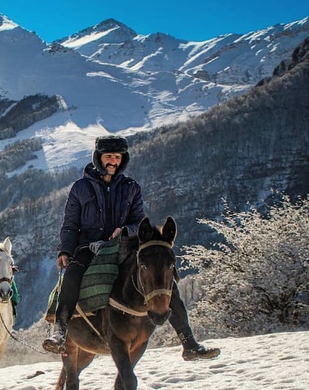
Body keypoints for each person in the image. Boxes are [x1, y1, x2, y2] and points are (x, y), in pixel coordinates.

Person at [42, 134, 220, 360]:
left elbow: (138, 220)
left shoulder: (131, 187)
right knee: (73, 276)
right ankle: (60, 331)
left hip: (122, 246)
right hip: (88, 246)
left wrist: (126, 231)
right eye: (108, 156)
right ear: (98, 157)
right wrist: (66, 250)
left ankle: (189, 342)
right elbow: (70, 223)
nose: (113, 161)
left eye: (117, 157)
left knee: (165, 280)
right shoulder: (80, 188)